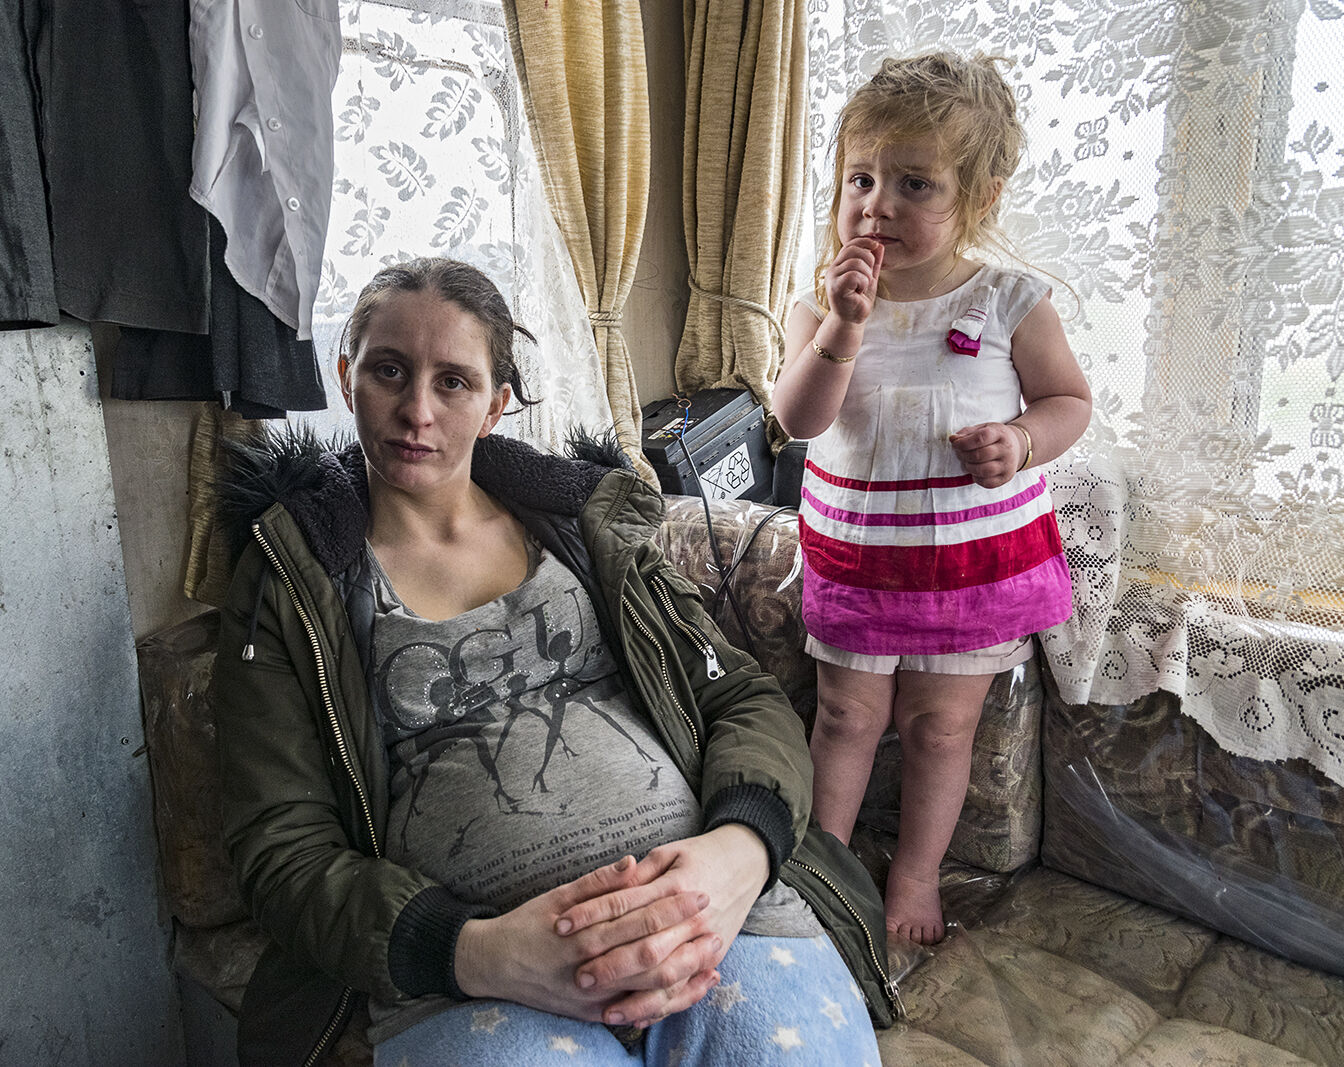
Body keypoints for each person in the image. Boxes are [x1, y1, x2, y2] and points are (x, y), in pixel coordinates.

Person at [213, 257, 897, 1066]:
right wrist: (474, 951)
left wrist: (741, 850)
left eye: (454, 382)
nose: (416, 410)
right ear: (345, 375)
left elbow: (738, 696)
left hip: (716, 917)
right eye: (388, 370)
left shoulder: (582, 526)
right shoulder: (296, 579)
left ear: (496, 404)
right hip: (475, 982)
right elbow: (281, 848)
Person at [770, 52, 1092, 946]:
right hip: (859, 560)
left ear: (979, 198)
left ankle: (915, 874)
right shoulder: (815, 307)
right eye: (861, 179)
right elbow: (798, 419)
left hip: (969, 567)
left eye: (915, 183)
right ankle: (823, 868)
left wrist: (1022, 440)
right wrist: (845, 326)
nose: (878, 205)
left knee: (941, 730)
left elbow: (1069, 401)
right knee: (845, 716)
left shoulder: (1011, 301)